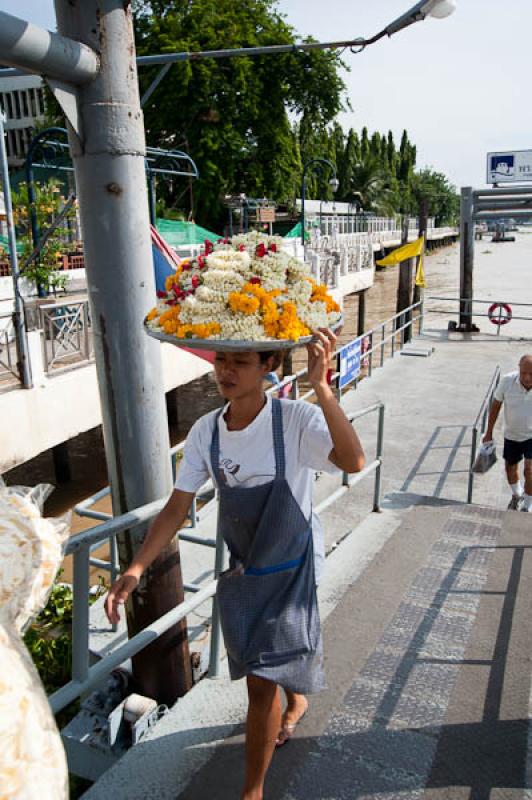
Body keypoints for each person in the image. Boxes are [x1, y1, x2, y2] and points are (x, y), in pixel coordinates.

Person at [104, 328, 365, 800]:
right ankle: (297, 696)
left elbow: (353, 459)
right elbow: (177, 506)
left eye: (239, 362)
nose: (224, 370)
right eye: (220, 359)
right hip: (248, 568)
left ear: (270, 366)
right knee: (269, 660)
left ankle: (252, 791)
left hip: (294, 565)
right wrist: (136, 568)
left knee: (260, 682)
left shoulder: (296, 420)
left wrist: (322, 387)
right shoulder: (207, 432)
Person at [483, 354, 532, 512]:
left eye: (531, 374)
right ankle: (517, 495)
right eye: (524, 372)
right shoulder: (507, 381)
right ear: (519, 368)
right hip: (511, 434)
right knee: (510, 468)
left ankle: (528, 505)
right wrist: (489, 432)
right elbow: (496, 406)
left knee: (529, 470)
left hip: (531, 435)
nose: (527, 377)